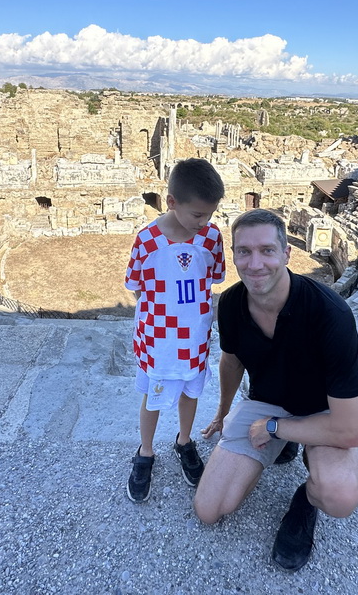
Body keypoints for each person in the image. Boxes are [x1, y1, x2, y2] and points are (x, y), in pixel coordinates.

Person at [194, 209, 358, 572]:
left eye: (267, 250)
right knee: (209, 509)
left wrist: (274, 428)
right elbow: (231, 361)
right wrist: (223, 412)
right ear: (234, 255)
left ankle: (305, 501)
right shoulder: (230, 303)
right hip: (266, 400)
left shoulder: (330, 314)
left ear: (287, 254)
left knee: (339, 496)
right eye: (244, 251)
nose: (255, 264)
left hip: (323, 414)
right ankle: (285, 444)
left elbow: (351, 430)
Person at [124, 158, 226, 502]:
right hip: (158, 337)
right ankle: (146, 451)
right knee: (153, 394)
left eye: (209, 215)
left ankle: (184, 441)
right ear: (171, 202)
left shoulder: (211, 237)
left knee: (189, 391)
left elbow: (211, 278)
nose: (204, 222)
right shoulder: (148, 240)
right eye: (197, 215)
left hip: (194, 335)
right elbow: (136, 286)